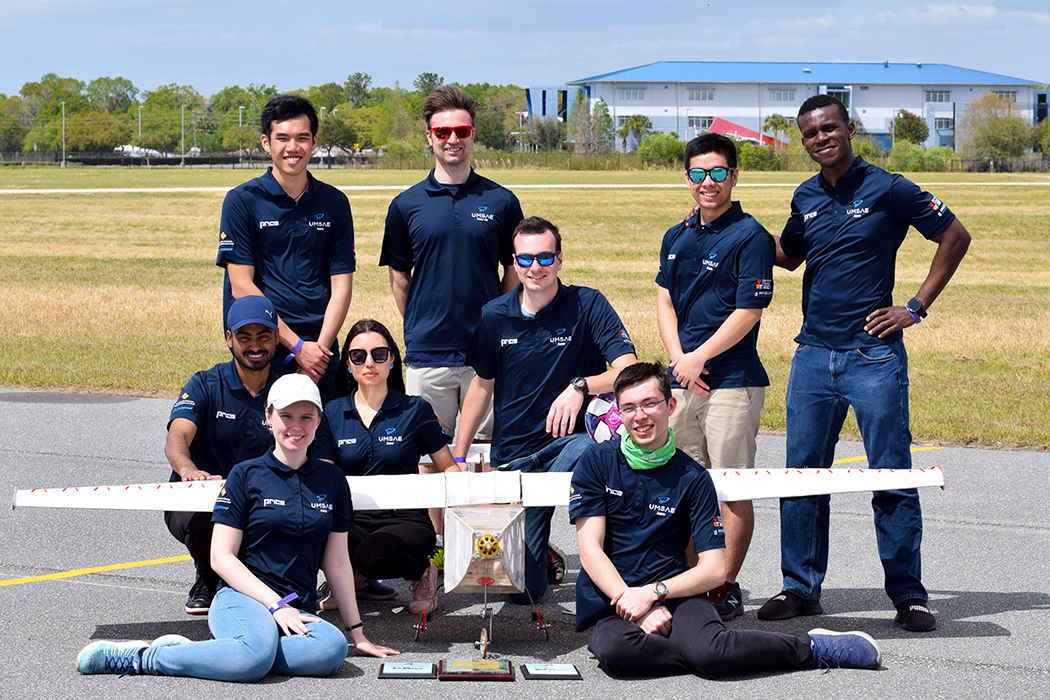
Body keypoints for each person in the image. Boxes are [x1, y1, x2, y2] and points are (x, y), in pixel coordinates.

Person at [760, 94, 971, 632]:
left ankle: (908, 595)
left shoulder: (889, 187)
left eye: (829, 128)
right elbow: (789, 255)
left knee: (891, 474)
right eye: (810, 134)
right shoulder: (805, 194)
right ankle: (801, 589)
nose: (820, 139)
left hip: (873, 355)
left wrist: (914, 308)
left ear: (849, 129)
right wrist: (734, 223)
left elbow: (955, 235)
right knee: (802, 478)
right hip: (812, 355)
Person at [570, 362, 882, 678]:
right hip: (614, 599)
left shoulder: (692, 477)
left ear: (670, 405)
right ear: (619, 414)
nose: (640, 416)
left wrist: (653, 594)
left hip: (675, 594)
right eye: (629, 408)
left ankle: (810, 647)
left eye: (650, 403)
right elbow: (590, 551)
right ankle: (710, 653)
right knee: (615, 651)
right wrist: (636, 609)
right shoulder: (597, 461)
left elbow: (714, 569)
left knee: (708, 651)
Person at [77, 374, 399, 680]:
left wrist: (358, 633)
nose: (296, 427)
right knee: (255, 657)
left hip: (295, 607)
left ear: (319, 421)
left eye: (307, 417)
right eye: (286, 415)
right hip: (242, 598)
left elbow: (338, 561)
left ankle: (225, 655)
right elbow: (221, 557)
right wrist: (275, 605)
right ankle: (145, 657)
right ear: (269, 417)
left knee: (332, 648)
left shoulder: (332, 480)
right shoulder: (245, 475)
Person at [453, 216, 637, 603]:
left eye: (545, 257)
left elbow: (628, 369)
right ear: (514, 263)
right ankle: (538, 548)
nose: (535, 268)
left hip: (568, 443)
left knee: (595, 451)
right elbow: (482, 384)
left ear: (560, 259)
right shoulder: (494, 315)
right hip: (514, 455)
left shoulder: (588, 304)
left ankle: (614, 568)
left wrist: (581, 385)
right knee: (523, 591)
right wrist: (458, 453)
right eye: (525, 259)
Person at [656, 133, 774, 621]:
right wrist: (679, 360)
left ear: (734, 176)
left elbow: (748, 310)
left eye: (718, 173)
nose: (709, 183)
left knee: (729, 486)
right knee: (683, 488)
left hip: (732, 381)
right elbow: (663, 298)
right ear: (687, 179)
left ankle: (724, 584)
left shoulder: (751, 236)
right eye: (699, 174)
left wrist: (698, 358)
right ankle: (690, 583)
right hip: (684, 381)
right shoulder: (676, 234)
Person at [380, 84, 523, 440]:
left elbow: (516, 269)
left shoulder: (502, 200)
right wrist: (419, 320)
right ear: (430, 137)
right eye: (443, 132)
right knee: (428, 456)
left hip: (486, 353)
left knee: (486, 455)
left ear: (472, 135)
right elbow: (399, 276)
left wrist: (498, 317)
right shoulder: (405, 205)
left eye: (462, 131)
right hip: (428, 352)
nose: (453, 140)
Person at [313, 319, 458, 615]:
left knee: (370, 556)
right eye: (358, 356)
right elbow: (323, 476)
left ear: (392, 359)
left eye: (379, 354)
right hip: (353, 519)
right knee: (311, 528)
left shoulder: (415, 409)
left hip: (406, 520)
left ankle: (423, 571)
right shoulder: (331, 412)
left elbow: (448, 466)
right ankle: (345, 577)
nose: (369, 362)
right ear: (348, 364)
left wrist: (460, 512)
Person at [216, 94, 355, 403]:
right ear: (267, 143)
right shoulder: (242, 201)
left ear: (314, 142)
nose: (293, 148)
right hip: (263, 347)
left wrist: (317, 352)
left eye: (302, 138)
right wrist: (297, 347)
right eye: (283, 138)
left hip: (321, 351)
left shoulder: (335, 203)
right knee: (263, 443)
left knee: (323, 445)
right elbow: (241, 285)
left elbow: (342, 286)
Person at [164, 295, 281, 615]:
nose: (254, 345)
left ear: (276, 338)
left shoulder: (288, 388)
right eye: (244, 337)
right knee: (209, 517)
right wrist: (188, 469)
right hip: (198, 502)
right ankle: (208, 576)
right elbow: (176, 436)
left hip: (258, 500)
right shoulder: (205, 383)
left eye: (263, 336)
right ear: (229, 338)